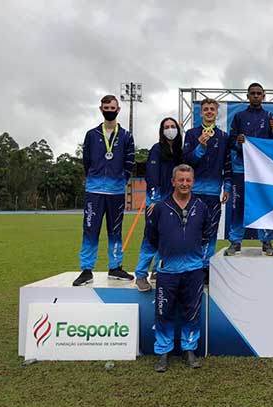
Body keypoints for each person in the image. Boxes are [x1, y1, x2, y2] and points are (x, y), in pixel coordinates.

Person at [147, 164, 210, 372]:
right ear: (173, 181)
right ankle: (163, 352)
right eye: (180, 180)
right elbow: (152, 238)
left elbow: (206, 235)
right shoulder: (160, 208)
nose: (184, 183)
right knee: (163, 312)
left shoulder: (201, 207)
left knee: (191, 312)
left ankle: (189, 349)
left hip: (193, 269)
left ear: (193, 182)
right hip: (167, 270)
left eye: (188, 180)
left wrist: (197, 258)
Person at [73, 95, 135, 286]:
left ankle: (115, 267)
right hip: (95, 191)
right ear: (101, 109)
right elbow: (86, 161)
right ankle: (86, 270)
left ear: (118, 110)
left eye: (113, 107)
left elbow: (130, 161)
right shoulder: (92, 134)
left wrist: (121, 179)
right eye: (106, 107)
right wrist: (94, 178)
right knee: (90, 230)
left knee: (115, 230)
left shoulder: (126, 136)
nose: (109, 110)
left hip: (116, 191)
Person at [225, 83, 273, 257]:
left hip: (262, 170)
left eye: (259, 93)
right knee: (238, 206)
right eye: (253, 93)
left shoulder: (269, 116)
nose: (256, 96)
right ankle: (235, 242)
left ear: (264, 96)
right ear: (247, 96)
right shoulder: (239, 116)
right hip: (241, 168)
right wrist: (239, 141)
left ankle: (266, 241)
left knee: (263, 204)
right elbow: (231, 142)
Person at [183, 98, 231, 280]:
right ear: (200, 113)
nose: (209, 111)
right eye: (206, 109)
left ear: (217, 112)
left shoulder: (223, 136)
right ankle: (191, 265)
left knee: (210, 230)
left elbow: (227, 164)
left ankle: (206, 266)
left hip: (213, 192)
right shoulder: (191, 134)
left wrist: (226, 187)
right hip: (192, 192)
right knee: (191, 229)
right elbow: (186, 162)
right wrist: (200, 147)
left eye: (212, 109)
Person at [134, 117, 183, 292]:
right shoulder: (156, 149)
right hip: (157, 199)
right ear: (162, 131)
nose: (170, 129)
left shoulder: (179, 151)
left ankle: (157, 270)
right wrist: (154, 200)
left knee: (168, 237)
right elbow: (152, 176)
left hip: (174, 200)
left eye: (173, 126)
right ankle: (140, 275)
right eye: (166, 127)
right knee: (151, 237)